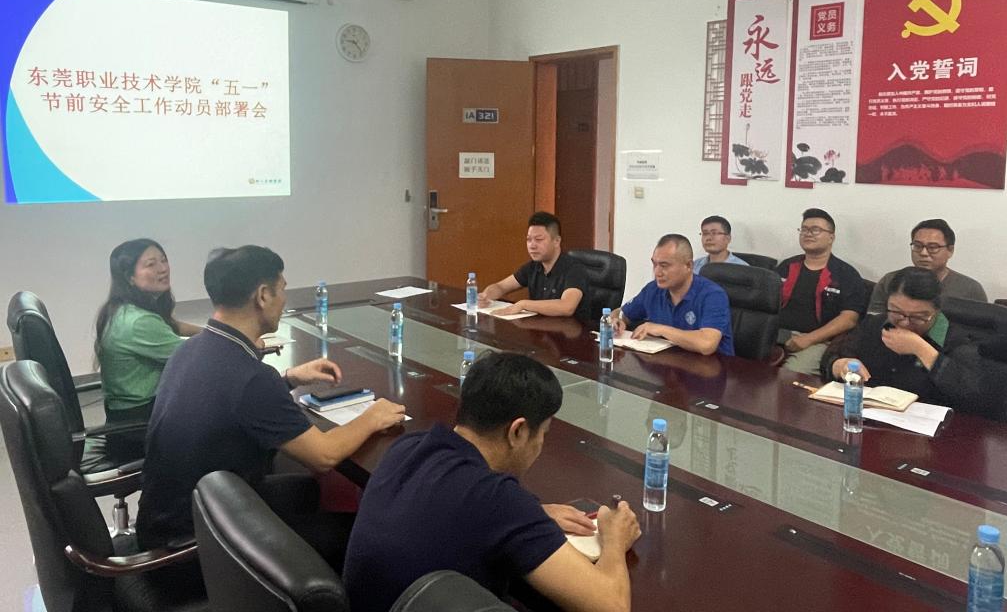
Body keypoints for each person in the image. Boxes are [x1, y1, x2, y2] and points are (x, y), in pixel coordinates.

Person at [136, 245, 406, 571]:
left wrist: (288, 378)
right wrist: (372, 417)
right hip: (196, 550)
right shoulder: (251, 378)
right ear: (263, 295)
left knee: (304, 491)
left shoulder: (192, 349)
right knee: (364, 539)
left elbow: (229, 394)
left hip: (168, 523)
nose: (284, 300)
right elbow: (323, 456)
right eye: (282, 289)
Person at [343, 351, 642, 612]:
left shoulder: (409, 446)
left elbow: (454, 508)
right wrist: (615, 540)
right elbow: (611, 606)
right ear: (517, 432)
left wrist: (534, 513)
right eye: (543, 433)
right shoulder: (498, 500)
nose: (541, 444)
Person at [822, 267, 1007, 422]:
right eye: (896, 312)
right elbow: (833, 354)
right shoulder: (877, 324)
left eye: (918, 317)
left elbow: (971, 393)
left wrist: (921, 349)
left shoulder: (959, 339)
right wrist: (838, 365)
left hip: (933, 437)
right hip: (871, 423)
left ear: (936, 311)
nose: (905, 322)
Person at [94, 238, 202, 427]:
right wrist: (233, 338)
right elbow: (195, 357)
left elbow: (170, 325)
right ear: (129, 277)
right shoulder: (139, 322)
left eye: (163, 260)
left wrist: (209, 331)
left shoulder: (123, 309)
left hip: (127, 415)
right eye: (151, 264)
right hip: (141, 423)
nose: (163, 269)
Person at [611, 234, 734, 356]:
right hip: (669, 362)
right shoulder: (653, 289)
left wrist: (660, 329)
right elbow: (622, 313)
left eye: (664, 266)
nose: (657, 272)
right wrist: (617, 320)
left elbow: (706, 345)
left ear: (689, 266)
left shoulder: (713, 295)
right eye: (655, 264)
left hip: (712, 366)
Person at [776, 208, 866, 374]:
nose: (808, 234)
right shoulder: (787, 266)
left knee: (791, 375)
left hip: (818, 341)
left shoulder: (846, 274)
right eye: (804, 229)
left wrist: (809, 339)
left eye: (815, 230)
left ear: (831, 237)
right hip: (777, 333)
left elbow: (849, 319)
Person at [479, 211, 589, 318]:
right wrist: (486, 295)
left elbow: (567, 307)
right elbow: (501, 287)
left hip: (570, 329)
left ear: (556, 241)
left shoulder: (574, 269)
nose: (532, 246)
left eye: (538, 239)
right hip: (540, 328)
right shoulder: (533, 267)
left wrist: (523, 304)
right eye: (529, 240)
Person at [867, 219, 987, 314]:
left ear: (950, 250)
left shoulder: (970, 289)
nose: (923, 253)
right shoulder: (890, 280)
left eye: (933, 247)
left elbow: (981, 332)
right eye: (917, 246)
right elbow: (874, 322)